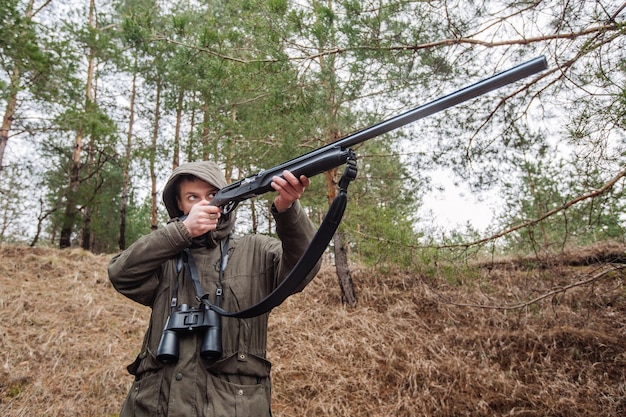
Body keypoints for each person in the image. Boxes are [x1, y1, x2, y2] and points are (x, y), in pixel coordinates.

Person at [108, 160, 321, 417]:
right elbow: (121, 273)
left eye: (212, 195)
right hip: (153, 407)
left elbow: (304, 267)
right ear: (179, 204)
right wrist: (180, 233)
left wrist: (288, 209)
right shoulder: (163, 254)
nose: (204, 203)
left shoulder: (255, 250)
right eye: (192, 197)